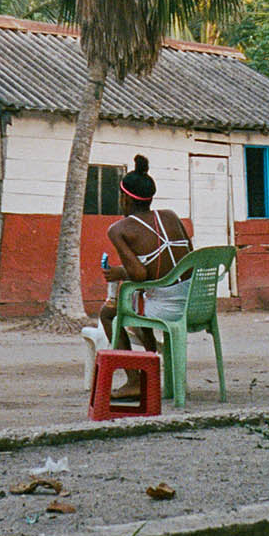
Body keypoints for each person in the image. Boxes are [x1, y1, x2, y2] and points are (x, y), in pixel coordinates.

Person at [97, 154, 193, 399]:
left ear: (125, 198)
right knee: (140, 304)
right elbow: (187, 258)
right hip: (192, 302)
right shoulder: (170, 216)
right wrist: (122, 272)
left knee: (109, 314)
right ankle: (150, 375)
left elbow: (139, 275)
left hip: (164, 307)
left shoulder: (119, 229)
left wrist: (118, 273)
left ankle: (135, 380)